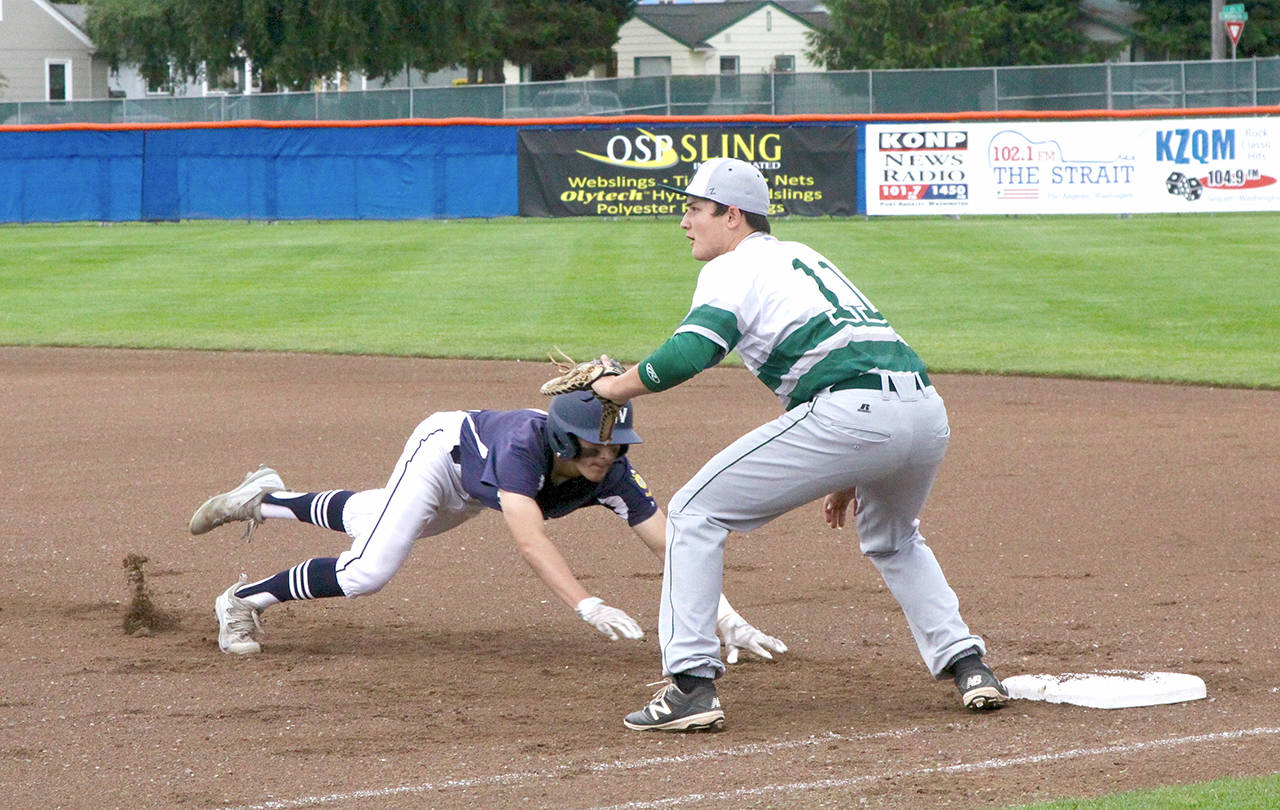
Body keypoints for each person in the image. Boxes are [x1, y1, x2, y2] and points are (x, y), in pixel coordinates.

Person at [590, 157, 1007, 733]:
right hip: (924, 411)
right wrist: (847, 472)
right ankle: (970, 666)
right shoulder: (806, 256)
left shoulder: (736, 265)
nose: (685, 221)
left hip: (852, 413)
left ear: (732, 215)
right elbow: (852, 353)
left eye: (694, 208)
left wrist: (613, 386)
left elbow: (689, 355)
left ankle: (690, 685)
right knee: (893, 539)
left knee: (692, 512)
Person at [189, 391, 787, 663]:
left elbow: (674, 546)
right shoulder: (524, 452)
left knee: (376, 519)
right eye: (594, 448)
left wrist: (723, 616)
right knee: (368, 568)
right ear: (559, 441)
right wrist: (586, 604)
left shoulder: (612, 474)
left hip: (475, 487)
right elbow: (530, 539)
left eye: (616, 446)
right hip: (440, 454)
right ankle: (241, 600)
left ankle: (262, 501)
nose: (608, 458)